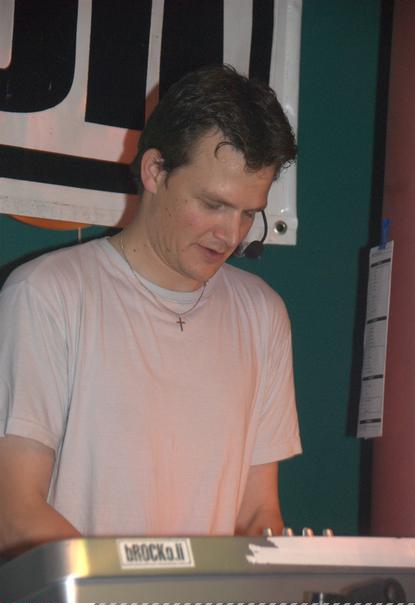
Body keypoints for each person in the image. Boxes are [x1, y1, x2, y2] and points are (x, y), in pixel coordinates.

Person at [0, 65, 302, 557]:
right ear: (155, 171)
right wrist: (139, 590)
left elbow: (256, 513)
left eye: (248, 212)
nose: (231, 235)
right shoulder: (45, 296)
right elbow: (14, 514)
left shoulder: (263, 315)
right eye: (213, 204)